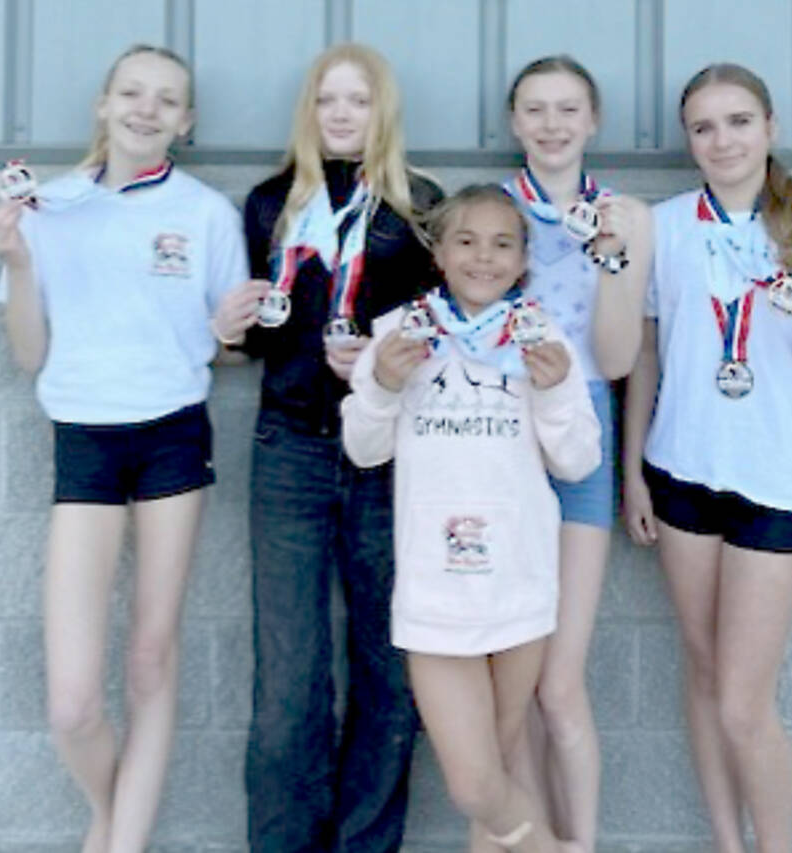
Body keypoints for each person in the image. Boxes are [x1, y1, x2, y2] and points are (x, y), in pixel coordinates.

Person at [0, 44, 247, 853]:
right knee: (73, 703)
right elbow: (29, 353)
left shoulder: (206, 214)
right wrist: (18, 262)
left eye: (167, 100)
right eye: (132, 93)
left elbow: (227, 345)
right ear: (103, 103)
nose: (146, 109)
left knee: (151, 657)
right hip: (84, 441)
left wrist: (231, 331)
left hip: (171, 434)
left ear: (186, 122)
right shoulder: (46, 210)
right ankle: (109, 813)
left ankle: (122, 843)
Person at [623, 63, 792, 853]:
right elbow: (647, 356)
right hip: (683, 476)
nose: (722, 139)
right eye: (704, 126)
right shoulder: (662, 228)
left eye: (738, 121)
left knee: (743, 699)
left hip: (774, 482)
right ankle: (726, 845)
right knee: (702, 674)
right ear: (689, 141)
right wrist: (633, 468)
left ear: (769, 128)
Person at [212, 43, 443, 853]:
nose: (341, 114)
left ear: (384, 112)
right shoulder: (271, 204)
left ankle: (365, 844)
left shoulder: (420, 206)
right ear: (307, 112)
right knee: (289, 679)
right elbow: (246, 343)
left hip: (386, 455)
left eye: (358, 100)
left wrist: (384, 360)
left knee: (389, 667)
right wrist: (224, 334)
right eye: (326, 100)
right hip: (289, 449)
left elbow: (441, 342)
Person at [342, 183, 600, 853]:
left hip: (518, 579)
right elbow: (364, 450)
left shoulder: (543, 337)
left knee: (504, 761)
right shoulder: (400, 333)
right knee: (475, 784)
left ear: (522, 260)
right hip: (435, 588)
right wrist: (383, 386)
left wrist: (549, 396)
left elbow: (576, 462)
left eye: (502, 244)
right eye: (466, 240)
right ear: (439, 253)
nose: (483, 257)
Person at [500, 55, 653, 852]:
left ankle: (581, 842)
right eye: (536, 110)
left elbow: (625, 361)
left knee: (560, 685)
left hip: (584, 423)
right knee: (513, 685)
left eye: (568, 110)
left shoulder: (627, 214)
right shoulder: (492, 211)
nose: (553, 125)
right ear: (514, 122)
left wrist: (612, 263)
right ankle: (534, 840)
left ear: (593, 121)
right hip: (498, 432)